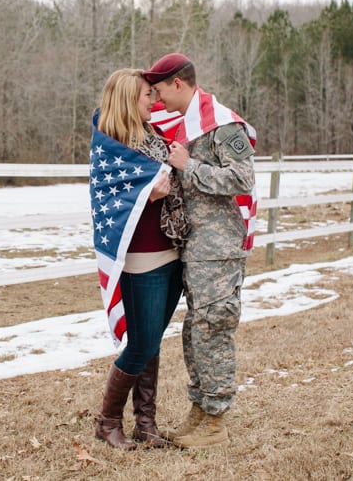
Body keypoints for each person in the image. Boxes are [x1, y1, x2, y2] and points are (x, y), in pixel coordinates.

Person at [142, 53, 256, 449]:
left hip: (219, 248)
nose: (157, 101)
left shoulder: (219, 124)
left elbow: (243, 178)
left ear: (178, 83)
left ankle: (216, 420)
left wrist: (189, 167)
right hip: (198, 247)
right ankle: (201, 408)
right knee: (196, 332)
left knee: (214, 329)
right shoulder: (190, 124)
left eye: (159, 91)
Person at [91, 68, 187, 450]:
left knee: (153, 341)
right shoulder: (112, 145)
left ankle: (145, 423)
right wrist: (146, 194)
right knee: (141, 344)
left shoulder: (156, 136)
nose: (155, 101)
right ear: (131, 98)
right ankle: (107, 422)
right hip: (140, 259)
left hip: (171, 250)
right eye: (149, 95)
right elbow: (112, 200)